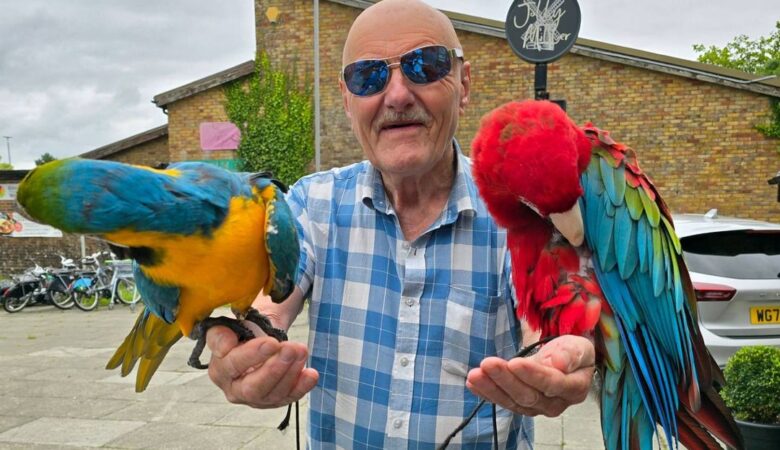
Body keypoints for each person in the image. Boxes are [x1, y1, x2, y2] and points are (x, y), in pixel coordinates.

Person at [206, 0, 595, 447]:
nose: (396, 95)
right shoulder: (313, 204)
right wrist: (250, 346)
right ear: (348, 101)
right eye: (368, 76)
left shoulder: (516, 212)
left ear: (463, 84)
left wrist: (552, 355)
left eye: (424, 66)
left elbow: (544, 324)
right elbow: (272, 304)